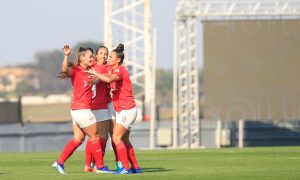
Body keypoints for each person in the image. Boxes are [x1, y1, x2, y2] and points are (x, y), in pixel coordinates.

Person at [52, 45, 112, 174]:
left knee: (78, 139)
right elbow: (64, 69)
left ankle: (59, 162)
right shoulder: (76, 70)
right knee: (95, 137)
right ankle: (100, 167)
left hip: (76, 110)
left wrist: (97, 77)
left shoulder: (89, 70)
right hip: (82, 109)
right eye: (90, 56)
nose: (93, 58)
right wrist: (67, 55)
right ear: (82, 58)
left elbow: (96, 80)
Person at [85, 44, 141, 174]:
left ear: (118, 60)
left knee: (116, 138)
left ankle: (125, 168)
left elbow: (109, 78)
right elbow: (103, 76)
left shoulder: (120, 70)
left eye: (110, 56)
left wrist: (95, 73)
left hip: (127, 109)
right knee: (125, 140)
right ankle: (136, 167)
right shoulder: (111, 69)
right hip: (123, 110)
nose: (107, 58)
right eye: (105, 55)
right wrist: (93, 78)